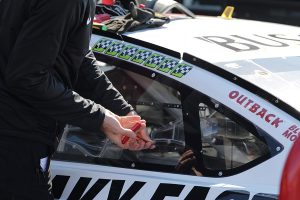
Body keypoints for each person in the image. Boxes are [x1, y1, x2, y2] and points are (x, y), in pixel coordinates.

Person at [0, 0, 154, 199]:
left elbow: (75, 52)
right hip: (16, 144)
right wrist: (101, 119)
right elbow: (27, 78)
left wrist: (122, 111)